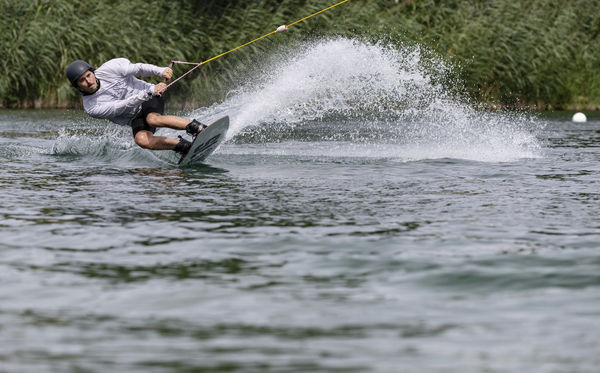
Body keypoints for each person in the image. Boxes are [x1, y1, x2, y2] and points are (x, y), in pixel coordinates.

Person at [65, 58, 205, 156]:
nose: (88, 81)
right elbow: (122, 106)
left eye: (88, 75)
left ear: (92, 72)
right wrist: (149, 91)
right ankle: (185, 148)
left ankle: (198, 128)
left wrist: (160, 71)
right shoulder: (92, 107)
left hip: (150, 98)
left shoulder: (110, 68)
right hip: (136, 113)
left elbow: (138, 68)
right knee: (141, 140)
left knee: (152, 119)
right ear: (77, 86)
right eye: (82, 81)